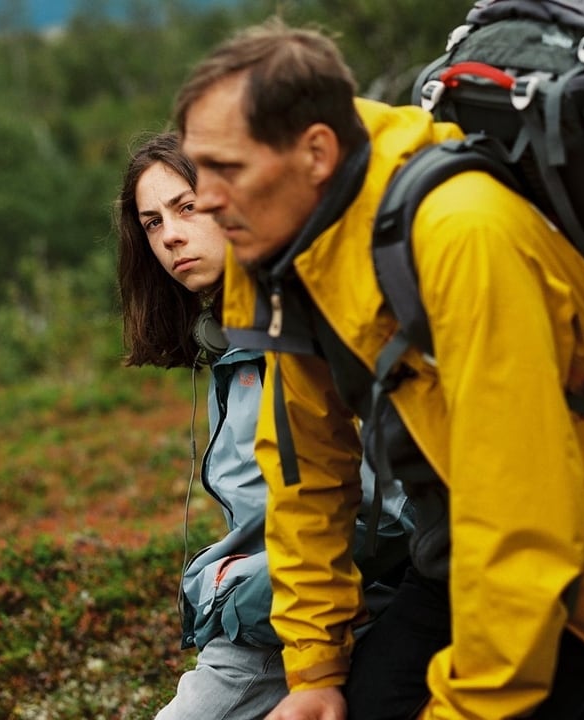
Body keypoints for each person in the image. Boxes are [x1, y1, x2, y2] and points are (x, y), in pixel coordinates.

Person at [173, 18, 584, 720]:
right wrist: (315, 667)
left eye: (227, 168)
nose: (207, 198)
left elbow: (528, 515)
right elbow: (305, 473)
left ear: (316, 151)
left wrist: (466, 708)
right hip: (456, 557)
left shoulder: (463, 235)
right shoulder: (283, 246)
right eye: (200, 168)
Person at [113, 130, 409, 720]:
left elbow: (386, 518)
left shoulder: (306, 332)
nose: (170, 236)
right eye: (152, 223)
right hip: (278, 620)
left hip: (307, 624)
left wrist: (232, 592)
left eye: (187, 208)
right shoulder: (233, 345)